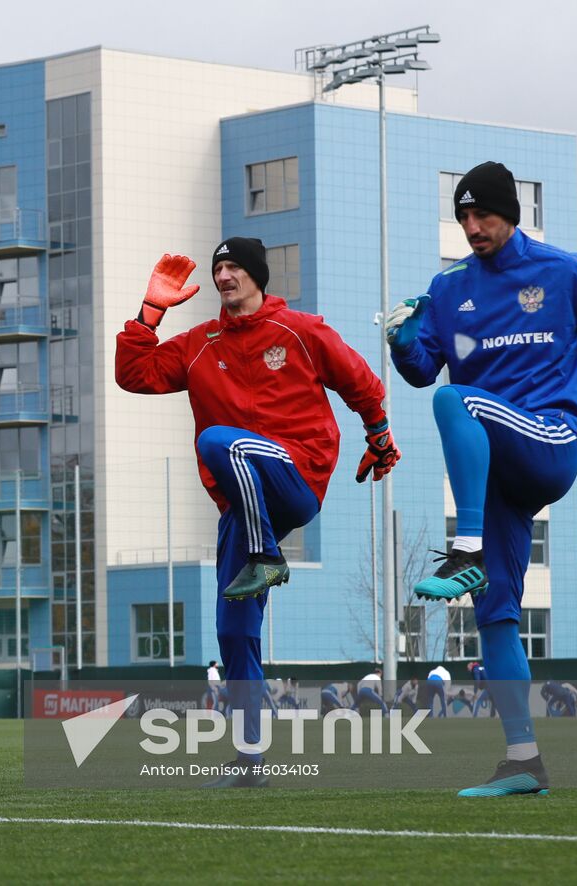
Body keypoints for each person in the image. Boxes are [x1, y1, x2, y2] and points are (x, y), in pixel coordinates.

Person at [388, 161, 577, 796]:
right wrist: (402, 341)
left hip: (549, 441)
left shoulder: (561, 270)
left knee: (458, 401)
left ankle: (466, 550)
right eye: (464, 217)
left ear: (513, 213)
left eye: (484, 215)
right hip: (495, 472)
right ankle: (524, 762)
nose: (473, 227)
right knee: (496, 615)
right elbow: (424, 369)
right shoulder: (449, 287)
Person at [118, 244, 398, 788]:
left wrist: (380, 435)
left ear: (258, 277)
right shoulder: (200, 344)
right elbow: (134, 375)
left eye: (234, 268)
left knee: (220, 440)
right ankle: (251, 760)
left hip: (297, 477)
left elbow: (360, 380)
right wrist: (150, 313)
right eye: (217, 268)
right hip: (245, 508)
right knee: (233, 627)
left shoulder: (299, 331)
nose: (223, 276)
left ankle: (267, 554)